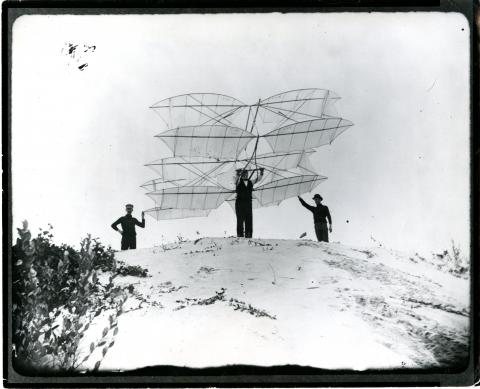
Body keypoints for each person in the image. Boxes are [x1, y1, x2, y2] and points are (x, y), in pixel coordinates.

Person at [235, 168, 264, 238]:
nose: (245, 176)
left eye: (246, 174)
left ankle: (248, 235)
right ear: (242, 175)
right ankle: (240, 235)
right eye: (244, 174)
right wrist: (238, 174)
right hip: (240, 204)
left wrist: (261, 173)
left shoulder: (251, 182)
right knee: (240, 220)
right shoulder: (238, 182)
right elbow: (236, 180)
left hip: (248, 204)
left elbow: (258, 179)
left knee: (249, 219)